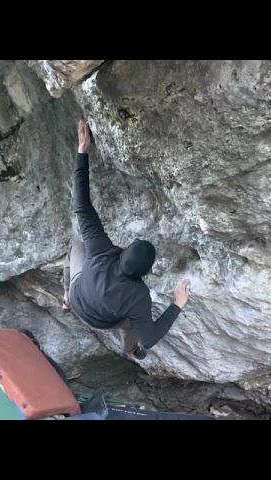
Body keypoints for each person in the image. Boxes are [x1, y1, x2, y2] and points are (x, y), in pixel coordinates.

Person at [62, 118, 191, 361]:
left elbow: (82, 206)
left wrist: (82, 153)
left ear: (123, 252)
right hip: (103, 321)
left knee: (76, 249)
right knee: (132, 325)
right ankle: (130, 351)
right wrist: (177, 304)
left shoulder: (101, 251)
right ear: (145, 272)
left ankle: (66, 297)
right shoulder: (138, 296)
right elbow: (150, 338)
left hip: (80, 299)